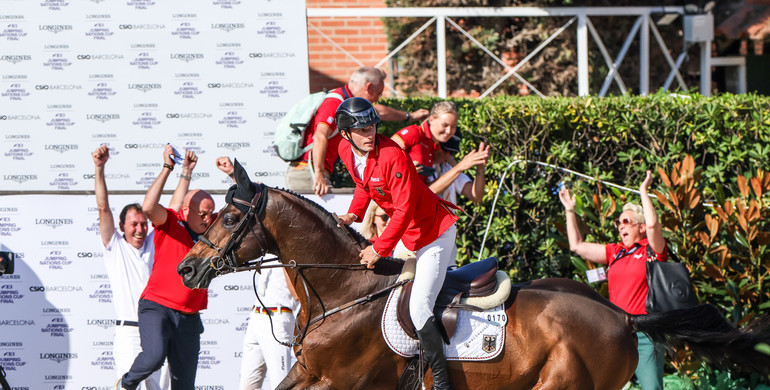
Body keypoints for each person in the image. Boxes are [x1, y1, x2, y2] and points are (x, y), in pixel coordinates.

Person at [335, 97, 459, 390]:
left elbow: (403, 210)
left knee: (418, 307)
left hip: (434, 235)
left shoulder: (393, 155)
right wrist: (353, 213)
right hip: (408, 235)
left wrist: (379, 249)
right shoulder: (345, 150)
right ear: (345, 135)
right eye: (362, 131)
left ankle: (442, 382)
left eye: (372, 128)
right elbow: (365, 185)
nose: (369, 135)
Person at [117, 145, 215, 390]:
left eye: (211, 214)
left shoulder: (214, 237)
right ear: (186, 212)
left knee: (185, 386)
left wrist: (188, 172)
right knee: (153, 357)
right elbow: (150, 207)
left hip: (189, 317)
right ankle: (125, 384)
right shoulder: (172, 224)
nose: (208, 219)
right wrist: (168, 168)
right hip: (157, 308)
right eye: (203, 214)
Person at [558, 170, 666, 390]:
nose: (620, 226)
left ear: (641, 227)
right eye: (619, 222)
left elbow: (655, 226)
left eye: (627, 221)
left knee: (652, 388)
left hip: (644, 333)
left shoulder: (651, 251)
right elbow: (576, 245)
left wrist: (643, 191)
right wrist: (570, 210)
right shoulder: (615, 252)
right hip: (615, 332)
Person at [94, 145, 178, 390]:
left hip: (156, 334)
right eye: (134, 224)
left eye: (144, 224)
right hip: (128, 334)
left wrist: (181, 172)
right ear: (122, 227)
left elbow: (172, 208)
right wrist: (99, 168)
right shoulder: (114, 247)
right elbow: (103, 208)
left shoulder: (154, 243)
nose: (140, 229)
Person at [215, 156, 300, 390]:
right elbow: (249, 206)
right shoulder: (266, 235)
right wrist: (233, 174)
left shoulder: (290, 246)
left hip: (278, 318)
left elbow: (297, 294)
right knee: (247, 384)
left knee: (281, 383)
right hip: (256, 317)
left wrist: (286, 263)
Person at [287, 66, 429, 196]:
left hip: (312, 172)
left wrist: (410, 116)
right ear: (369, 87)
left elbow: (380, 111)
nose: (377, 99)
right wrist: (318, 173)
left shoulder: (349, 102)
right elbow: (320, 136)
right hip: (307, 173)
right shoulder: (335, 102)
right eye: (378, 93)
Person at [391, 100, 459, 183]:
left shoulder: (436, 146)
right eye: (444, 125)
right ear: (431, 119)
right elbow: (383, 155)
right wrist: (403, 169)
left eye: (453, 126)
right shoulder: (415, 132)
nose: (449, 131)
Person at [427, 131, 489, 205]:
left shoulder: (449, 167)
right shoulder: (419, 164)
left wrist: (480, 169)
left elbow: (476, 197)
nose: (448, 155)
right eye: (445, 150)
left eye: (451, 152)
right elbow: (428, 192)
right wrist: (460, 167)